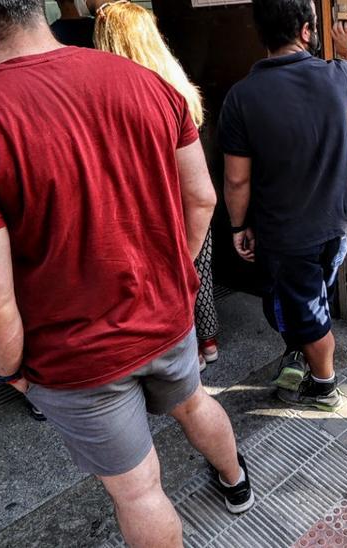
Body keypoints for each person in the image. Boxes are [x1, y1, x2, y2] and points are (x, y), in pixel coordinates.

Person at [0, 0, 253, 543]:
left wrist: (11, 371)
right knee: (194, 402)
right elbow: (202, 199)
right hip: (167, 317)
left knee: (139, 491)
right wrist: (176, 276)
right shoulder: (147, 82)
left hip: (76, 359)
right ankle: (237, 481)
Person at [220, 0, 347, 411]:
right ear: (305, 30)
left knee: (306, 310)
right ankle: (305, 352)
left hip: (287, 233)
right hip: (336, 225)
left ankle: (324, 386)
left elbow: (236, 178)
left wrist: (237, 226)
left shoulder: (241, 97)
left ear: (261, 34)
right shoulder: (337, 76)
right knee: (317, 295)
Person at [95, 0, 222, 368]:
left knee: (165, 281)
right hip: (189, 198)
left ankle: (182, 348)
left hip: (151, 208)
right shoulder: (178, 84)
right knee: (199, 269)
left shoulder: (113, 97)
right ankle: (208, 341)